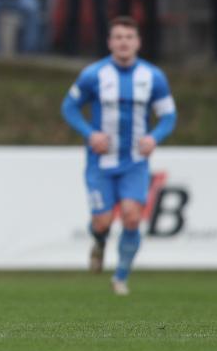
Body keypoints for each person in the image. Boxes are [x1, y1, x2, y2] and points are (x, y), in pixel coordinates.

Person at [61, 16, 177, 295]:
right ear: (110, 42)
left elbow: (168, 116)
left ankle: (120, 277)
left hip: (134, 162)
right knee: (102, 221)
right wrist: (90, 134)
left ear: (138, 42)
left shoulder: (153, 77)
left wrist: (154, 137)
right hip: (100, 163)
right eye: (118, 37)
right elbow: (69, 107)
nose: (123, 42)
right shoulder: (93, 75)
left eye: (129, 37)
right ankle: (99, 242)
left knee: (132, 217)